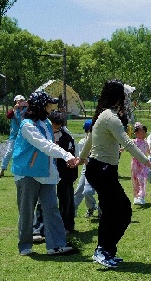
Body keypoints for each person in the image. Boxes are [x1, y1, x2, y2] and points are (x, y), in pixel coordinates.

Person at [80, 79, 151, 268]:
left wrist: (81, 159)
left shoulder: (104, 115)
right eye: (125, 95)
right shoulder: (110, 117)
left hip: (103, 169)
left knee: (118, 211)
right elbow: (128, 144)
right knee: (117, 211)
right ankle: (102, 250)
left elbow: (90, 139)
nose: (127, 99)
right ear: (117, 96)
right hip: (101, 169)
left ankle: (107, 250)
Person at [13, 91, 78, 256]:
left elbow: (50, 146)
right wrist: (66, 155)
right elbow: (43, 145)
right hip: (28, 173)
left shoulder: (47, 123)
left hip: (46, 173)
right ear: (42, 106)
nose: (51, 106)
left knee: (51, 208)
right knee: (26, 211)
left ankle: (56, 245)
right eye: (49, 103)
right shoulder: (27, 125)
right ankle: (25, 246)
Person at [48, 110, 78, 233]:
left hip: (66, 170)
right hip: (50, 168)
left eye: (58, 127)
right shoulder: (45, 132)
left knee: (66, 197)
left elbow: (75, 149)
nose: (56, 129)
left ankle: (67, 225)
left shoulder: (65, 134)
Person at [0, 94, 28, 178]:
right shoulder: (13, 111)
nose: (19, 103)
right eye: (18, 101)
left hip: (25, 135)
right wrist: (15, 109)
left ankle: (24, 170)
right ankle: (2, 170)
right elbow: (8, 116)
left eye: (21, 101)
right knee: (9, 151)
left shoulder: (27, 111)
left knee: (24, 152)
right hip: (14, 135)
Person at [74, 119, 99, 218]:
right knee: (81, 190)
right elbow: (81, 157)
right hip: (87, 168)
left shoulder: (100, 140)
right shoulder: (82, 142)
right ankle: (73, 211)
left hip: (99, 168)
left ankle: (102, 211)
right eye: (89, 130)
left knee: (102, 190)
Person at [130, 122, 150, 206]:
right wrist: (122, 149)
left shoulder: (145, 142)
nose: (144, 133)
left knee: (142, 180)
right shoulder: (134, 141)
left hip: (143, 164)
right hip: (135, 163)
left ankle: (141, 197)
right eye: (142, 132)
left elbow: (148, 150)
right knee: (135, 180)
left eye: (144, 132)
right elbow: (127, 146)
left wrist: (150, 153)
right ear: (137, 133)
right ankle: (136, 197)